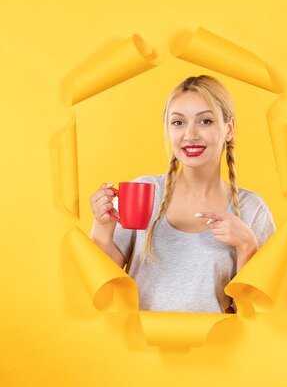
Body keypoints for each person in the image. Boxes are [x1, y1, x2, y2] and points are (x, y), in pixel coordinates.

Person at [88, 75, 276, 314]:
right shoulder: (144, 192)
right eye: (178, 123)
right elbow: (106, 282)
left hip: (217, 349)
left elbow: (255, 312)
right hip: (142, 347)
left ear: (229, 129)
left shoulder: (253, 210)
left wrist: (247, 245)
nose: (190, 134)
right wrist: (102, 224)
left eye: (205, 121)